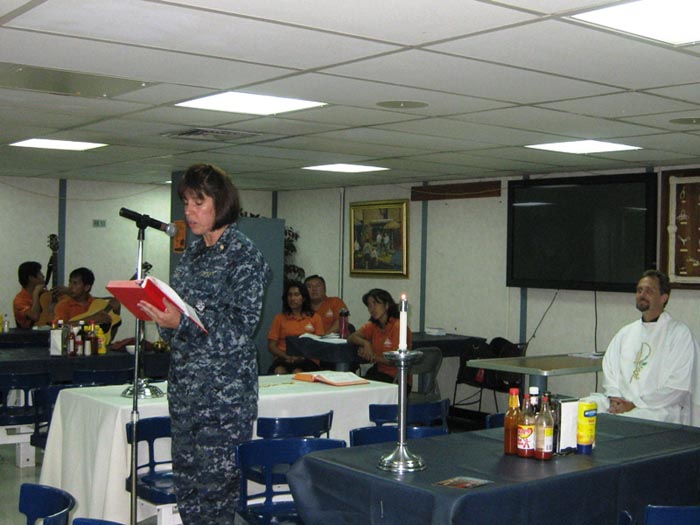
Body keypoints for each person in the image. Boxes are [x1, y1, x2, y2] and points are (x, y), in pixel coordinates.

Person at [137, 163, 271, 524]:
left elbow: (241, 329)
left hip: (223, 401)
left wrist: (181, 323)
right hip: (186, 395)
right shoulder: (192, 255)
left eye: (199, 203)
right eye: (186, 203)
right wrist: (162, 319)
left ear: (221, 204)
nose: (189, 212)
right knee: (188, 492)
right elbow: (179, 324)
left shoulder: (244, 256)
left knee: (217, 495)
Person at [602, 269, 699, 425]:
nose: (642, 294)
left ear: (663, 297)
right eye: (639, 290)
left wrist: (635, 404)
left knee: (630, 420)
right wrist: (615, 399)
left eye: (649, 291)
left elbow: (678, 387)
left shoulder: (679, 334)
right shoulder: (626, 333)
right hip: (621, 402)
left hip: (659, 409)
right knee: (586, 408)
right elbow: (609, 369)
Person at [348, 288, 412, 383]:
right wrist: (366, 343)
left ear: (386, 305)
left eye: (375, 303)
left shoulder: (398, 326)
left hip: (397, 378)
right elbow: (351, 337)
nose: (372, 309)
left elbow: (394, 361)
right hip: (380, 373)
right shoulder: (373, 325)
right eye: (369, 305)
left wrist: (372, 356)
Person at [267, 280, 324, 374]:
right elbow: (271, 346)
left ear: (303, 298)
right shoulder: (279, 318)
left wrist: (302, 357)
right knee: (279, 371)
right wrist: (286, 356)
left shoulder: (315, 318)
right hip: (284, 358)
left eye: (296, 295)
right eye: (290, 295)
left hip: (308, 359)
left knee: (297, 372)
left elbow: (319, 345)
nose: (292, 298)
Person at [54, 267, 121, 337]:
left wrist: (117, 311)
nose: (70, 287)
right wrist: (91, 319)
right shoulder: (63, 305)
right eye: (70, 282)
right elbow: (59, 331)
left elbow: (110, 334)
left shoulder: (100, 304)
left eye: (75, 283)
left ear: (87, 287)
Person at [13, 261, 45, 329]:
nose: (43, 276)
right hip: (29, 334)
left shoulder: (44, 294)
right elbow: (35, 316)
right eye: (40, 273)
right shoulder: (19, 300)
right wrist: (36, 293)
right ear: (31, 278)